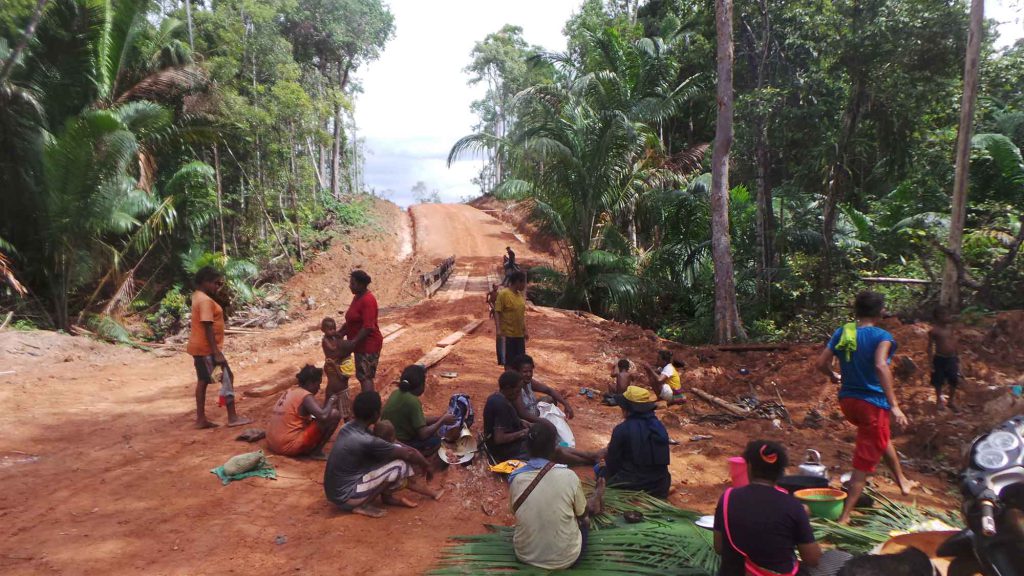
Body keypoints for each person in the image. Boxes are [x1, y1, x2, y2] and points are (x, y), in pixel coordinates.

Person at [816, 290, 917, 525]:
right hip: (872, 403)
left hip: (848, 402)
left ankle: (902, 481)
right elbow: (881, 366)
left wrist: (833, 376)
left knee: (880, 437)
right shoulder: (883, 337)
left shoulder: (844, 331)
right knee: (862, 463)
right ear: (881, 312)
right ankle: (845, 517)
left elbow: (820, 363)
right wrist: (894, 405)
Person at [713, 440, 828, 576]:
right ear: (782, 472)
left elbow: (719, 547)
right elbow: (813, 559)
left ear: (749, 466)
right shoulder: (793, 506)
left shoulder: (728, 497)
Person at [509, 420, 603, 570]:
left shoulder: (516, 479)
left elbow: (515, 511)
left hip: (525, 554)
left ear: (526, 447)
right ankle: (597, 496)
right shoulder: (569, 476)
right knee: (584, 522)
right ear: (555, 449)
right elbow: (582, 514)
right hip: (567, 558)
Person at [324, 391, 434, 518]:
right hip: (347, 497)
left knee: (389, 458)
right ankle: (363, 504)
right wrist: (427, 465)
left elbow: (398, 446)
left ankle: (379, 498)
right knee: (400, 466)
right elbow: (408, 454)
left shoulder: (348, 427)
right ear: (376, 414)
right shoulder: (368, 440)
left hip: (335, 493)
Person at [484, 371, 599, 466]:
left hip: (514, 443)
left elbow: (508, 421)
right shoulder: (501, 405)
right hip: (507, 451)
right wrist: (523, 433)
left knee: (554, 447)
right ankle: (589, 461)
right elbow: (499, 439)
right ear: (508, 388)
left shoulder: (497, 397)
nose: (519, 394)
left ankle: (591, 455)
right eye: (518, 390)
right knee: (553, 451)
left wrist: (521, 422)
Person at [186, 266, 250, 429]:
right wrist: (216, 353)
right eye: (216, 283)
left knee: (204, 381)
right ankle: (232, 417)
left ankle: (201, 418)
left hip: (199, 348)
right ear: (205, 282)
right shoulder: (206, 301)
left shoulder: (198, 296)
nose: (217, 287)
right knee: (227, 377)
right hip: (208, 350)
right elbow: (207, 325)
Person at [602, 386, 671, 497]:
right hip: (660, 485)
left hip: (631, 484)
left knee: (600, 470)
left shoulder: (622, 429)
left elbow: (613, 463)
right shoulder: (659, 426)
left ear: (627, 409)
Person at [266, 365, 341, 459]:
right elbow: (323, 416)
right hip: (287, 446)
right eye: (318, 384)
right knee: (334, 414)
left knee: (314, 419)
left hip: (272, 443)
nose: (318, 388)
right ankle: (316, 452)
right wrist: (331, 400)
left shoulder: (290, 391)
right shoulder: (306, 396)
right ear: (310, 383)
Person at [381, 364, 457, 455]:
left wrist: (440, 418)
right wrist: (442, 421)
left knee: (433, 429)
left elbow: (418, 421)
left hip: (389, 438)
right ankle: (416, 455)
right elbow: (423, 434)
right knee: (436, 441)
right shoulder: (413, 401)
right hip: (401, 442)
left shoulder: (396, 392)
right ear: (420, 385)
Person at [339, 270, 384, 392]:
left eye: (353, 284)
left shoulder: (368, 300)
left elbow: (368, 326)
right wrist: (340, 333)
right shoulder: (357, 298)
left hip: (368, 345)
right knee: (362, 375)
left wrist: (353, 342)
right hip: (359, 345)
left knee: (365, 376)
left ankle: (368, 405)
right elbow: (352, 320)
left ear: (361, 285)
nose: (350, 286)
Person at [320, 317, 365, 420]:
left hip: (338, 369)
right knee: (335, 383)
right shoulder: (325, 341)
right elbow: (334, 349)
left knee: (344, 411)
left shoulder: (334, 338)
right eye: (329, 329)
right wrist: (345, 343)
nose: (332, 331)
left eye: (333, 329)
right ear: (322, 330)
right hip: (332, 366)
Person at [508, 354, 574, 423]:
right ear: (517, 372)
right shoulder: (516, 389)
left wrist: (566, 404)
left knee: (550, 399)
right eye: (525, 372)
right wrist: (544, 422)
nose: (529, 374)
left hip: (534, 414)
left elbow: (549, 390)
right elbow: (523, 414)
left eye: (530, 371)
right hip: (525, 422)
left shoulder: (529, 382)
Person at [928, 308, 962, 412]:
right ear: (938, 317)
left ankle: (951, 401)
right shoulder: (934, 331)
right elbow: (930, 346)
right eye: (944, 315)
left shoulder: (951, 328)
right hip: (939, 358)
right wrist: (930, 362)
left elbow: (954, 342)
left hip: (951, 358)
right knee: (938, 380)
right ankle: (939, 401)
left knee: (954, 379)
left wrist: (957, 356)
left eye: (947, 315)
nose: (947, 317)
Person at [494, 271, 528, 367]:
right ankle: (509, 380)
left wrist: (525, 330)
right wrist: (498, 329)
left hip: (519, 335)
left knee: (520, 362)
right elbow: (497, 311)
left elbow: (521, 315)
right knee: (509, 361)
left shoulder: (520, 296)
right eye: (523, 283)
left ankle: (517, 380)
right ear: (517, 282)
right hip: (508, 335)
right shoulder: (504, 294)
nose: (524, 286)